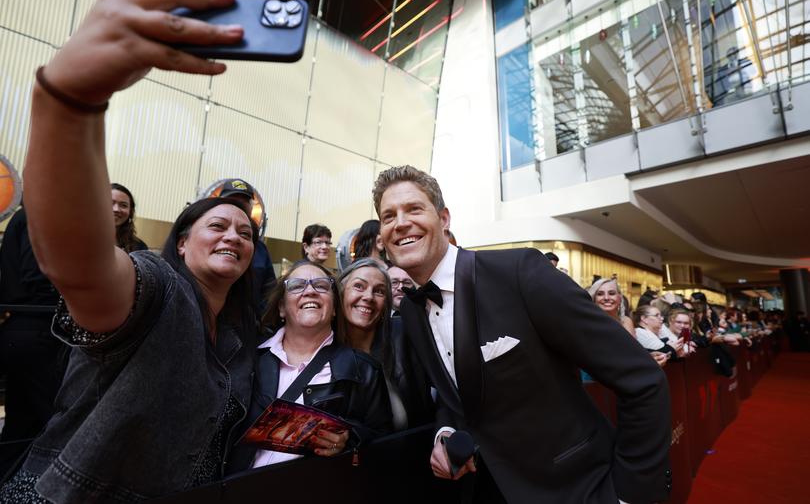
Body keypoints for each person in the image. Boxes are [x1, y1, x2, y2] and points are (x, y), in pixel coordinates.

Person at [0, 0, 264, 502]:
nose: (234, 234)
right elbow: (80, 265)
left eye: (246, 231)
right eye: (217, 224)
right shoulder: (155, 289)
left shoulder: (237, 342)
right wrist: (69, 100)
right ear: (182, 242)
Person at [373, 165, 672, 504]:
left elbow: (643, 380)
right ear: (382, 237)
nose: (400, 223)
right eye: (388, 216)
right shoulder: (412, 311)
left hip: (579, 487)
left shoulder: (519, 273)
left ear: (444, 218)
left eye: (414, 209)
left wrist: (629, 494)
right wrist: (445, 433)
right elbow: (454, 395)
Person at [236, 259, 392, 469]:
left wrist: (350, 439)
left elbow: (384, 445)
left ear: (335, 307)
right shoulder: (248, 359)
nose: (309, 291)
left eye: (321, 285)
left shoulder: (364, 370)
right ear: (281, 307)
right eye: (297, 286)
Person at [0, 206, 66, 457]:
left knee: (21, 426)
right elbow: (39, 277)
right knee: (54, 423)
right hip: (38, 328)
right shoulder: (41, 213)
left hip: (28, 328)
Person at [338, 258, 432, 431]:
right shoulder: (324, 348)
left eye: (379, 291)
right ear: (341, 292)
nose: (368, 297)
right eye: (359, 286)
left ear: (386, 304)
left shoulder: (404, 335)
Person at [215, 178, 277, 314]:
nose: (238, 208)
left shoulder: (261, 250)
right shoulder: (210, 239)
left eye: (243, 204)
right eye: (233, 202)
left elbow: (269, 292)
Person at [111, 183, 148, 252]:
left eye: (123, 205)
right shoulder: (85, 238)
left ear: (131, 212)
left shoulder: (139, 247)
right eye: (110, 203)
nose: (116, 209)